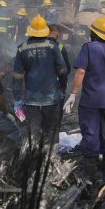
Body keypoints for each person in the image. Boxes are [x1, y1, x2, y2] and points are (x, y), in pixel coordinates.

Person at [63, 16, 105, 184]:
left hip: (90, 102)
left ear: (94, 33)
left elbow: (80, 72)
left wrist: (73, 94)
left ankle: (90, 178)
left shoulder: (88, 48)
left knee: (91, 135)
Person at [12, 16, 67, 144]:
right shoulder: (52, 46)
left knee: (33, 131)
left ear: (30, 31)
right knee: (51, 131)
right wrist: (63, 87)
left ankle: (33, 154)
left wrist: (17, 98)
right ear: (45, 31)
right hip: (52, 97)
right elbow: (62, 70)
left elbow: (17, 76)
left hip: (31, 99)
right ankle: (51, 154)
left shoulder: (22, 49)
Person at [47, 24, 71, 95]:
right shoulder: (60, 47)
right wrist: (63, 85)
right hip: (55, 84)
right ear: (58, 35)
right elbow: (67, 69)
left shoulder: (39, 45)